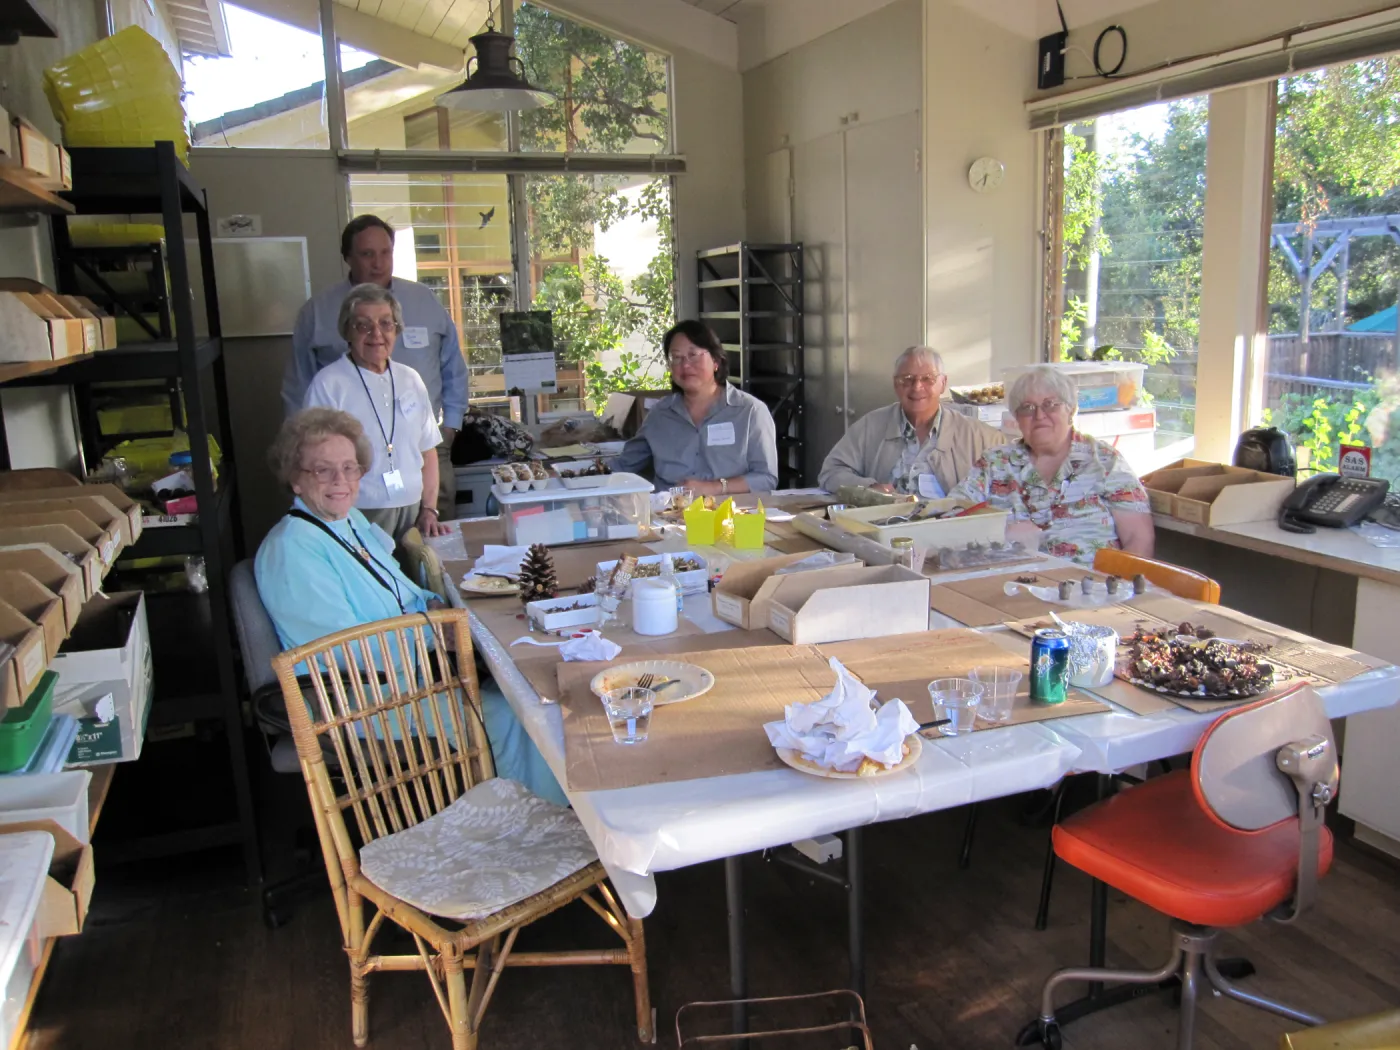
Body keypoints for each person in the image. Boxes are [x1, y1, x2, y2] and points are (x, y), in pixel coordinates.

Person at [254, 407, 565, 806]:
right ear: (296, 479)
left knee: (522, 689)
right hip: (367, 702)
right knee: (520, 715)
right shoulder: (293, 549)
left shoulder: (345, 523)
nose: (340, 481)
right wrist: (434, 629)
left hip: (406, 675)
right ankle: (530, 826)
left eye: (350, 468)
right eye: (322, 470)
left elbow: (400, 588)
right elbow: (342, 652)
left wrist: (431, 603)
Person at [282, 214, 466, 516]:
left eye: (385, 252)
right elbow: (297, 386)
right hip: (352, 467)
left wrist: (451, 424)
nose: (378, 263)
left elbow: (453, 365)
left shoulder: (424, 301)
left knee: (434, 530)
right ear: (348, 258)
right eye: (367, 254)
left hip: (425, 445)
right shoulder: (317, 312)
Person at [950, 364, 1154, 566]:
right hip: (1006, 585)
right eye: (1027, 408)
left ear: (1071, 409)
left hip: (1090, 589)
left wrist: (1111, 590)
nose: (1039, 415)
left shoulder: (1106, 462)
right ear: (1017, 419)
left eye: (1051, 404)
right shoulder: (994, 464)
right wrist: (1002, 533)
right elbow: (951, 516)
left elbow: (1139, 542)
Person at [303, 284, 449, 541]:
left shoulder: (411, 379)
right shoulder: (328, 384)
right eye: (363, 325)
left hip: (413, 512)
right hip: (357, 513)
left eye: (386, 323)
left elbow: (428, 451)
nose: (376, 333)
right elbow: (313, 462)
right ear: (347, 330)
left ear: (397, 329)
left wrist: (429, 508)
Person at [614, 320, 778, 495]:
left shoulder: (750, 411)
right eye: (676, 358)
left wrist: (713, 488)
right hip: (668, 516)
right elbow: (624, 466)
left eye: (693, 355)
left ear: (716, 361)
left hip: (729, 516)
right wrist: (590, 479)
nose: (685, 365)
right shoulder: (659, 415)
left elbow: (766, 478)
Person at [819, 346, 1004, 498]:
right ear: (895, 384)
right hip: (883, 528)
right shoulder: (870, 426)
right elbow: (831, 472)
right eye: (907, 380)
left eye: (927, 379)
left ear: (943, 383)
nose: (917, 387)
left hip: (949, 533)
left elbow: (1008, 484)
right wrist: (869, 488)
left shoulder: (980, 437)